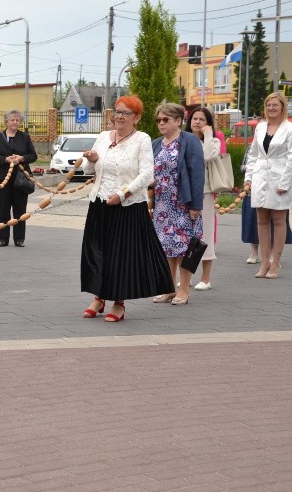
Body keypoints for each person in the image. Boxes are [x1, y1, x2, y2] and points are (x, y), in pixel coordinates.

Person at [79, 95, 174, 322]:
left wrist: (122, 194)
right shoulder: (103, 137)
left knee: (120, 256)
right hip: (100, 202)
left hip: (128, 206)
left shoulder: (141, 139)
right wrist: (91, 159)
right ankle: (98, 297)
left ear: (137, 118)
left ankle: (118, 303)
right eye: (117, 112)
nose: (119, 116)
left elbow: (147, 175)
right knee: (96, 251)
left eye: (125, 113)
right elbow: (88, 169)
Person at [152, 102, 206, 306]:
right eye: (158, 120)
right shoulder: (156, 143)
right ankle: (168, 288)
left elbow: (197, 174)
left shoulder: (189, 141)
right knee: (166, 248)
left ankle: (183, 289)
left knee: (184, 248)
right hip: (162, 205)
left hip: (183, 203)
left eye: (165, 119)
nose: (161, 123)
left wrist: (195, 205)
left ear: (178, 121)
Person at [244, 91, 292, 279]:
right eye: (268, 105)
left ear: (282, 107)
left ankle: (276, 262)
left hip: (279, 179)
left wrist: (285, 182)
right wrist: (249, 178)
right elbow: (253, 154)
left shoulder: (291, 129)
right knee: (261, 219)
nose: (271, 108)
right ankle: (264, 262)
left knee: (278, 219)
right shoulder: (260, 127)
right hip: (260, 178)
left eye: (275, 105)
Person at [186, 107, 223, 291]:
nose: (197, 122)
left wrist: (208, 135)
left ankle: (206, 278)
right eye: (194, 118)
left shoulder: (213, 141)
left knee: (205, 234)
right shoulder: (183, 139)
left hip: (205, 193)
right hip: (185, 194)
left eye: (202, 119)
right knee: (186, 236)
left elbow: (208, 156)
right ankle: (187, 277)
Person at [0, 109, 37, 247]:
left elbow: (33, 155)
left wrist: (22, 158)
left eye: (17, 120)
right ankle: (3, 238)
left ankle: (19, 239)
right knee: (3, 208)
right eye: (12, 120)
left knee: (20, 209)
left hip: (21, 178)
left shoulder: (24, 137)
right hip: (1, 178)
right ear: (6, 122)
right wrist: (6, 159)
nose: (15, 122)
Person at [240, 149, 292, 263]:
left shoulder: (283, 142)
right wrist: (248, 173)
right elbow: (246, 164)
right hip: (255, 189)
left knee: (276, 222)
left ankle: (272, 255)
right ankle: (254, 253)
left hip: (276, 187)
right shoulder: (254, 146)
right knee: (253, 222)